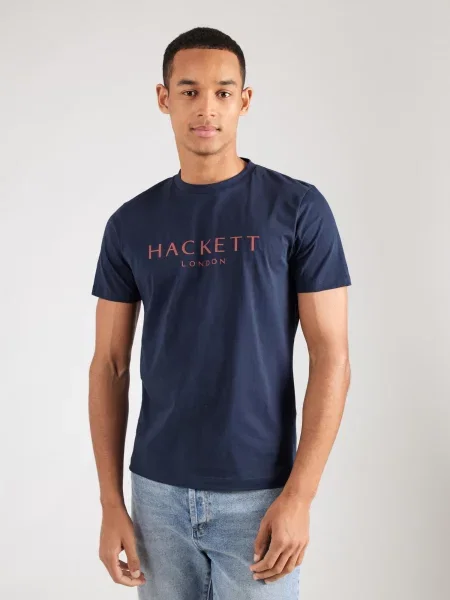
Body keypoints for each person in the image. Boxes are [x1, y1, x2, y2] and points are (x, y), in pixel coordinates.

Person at [89, 26, 352, 600]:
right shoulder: (131, 223)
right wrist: (111, 503)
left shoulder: (298, 208)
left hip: (260, 494)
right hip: (155, 495)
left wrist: (300, 496)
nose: (206, 108)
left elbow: (331, 355)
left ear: (244, 100)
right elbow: (109, 364)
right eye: (189, 91)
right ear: (164, 98)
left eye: (223, 92)